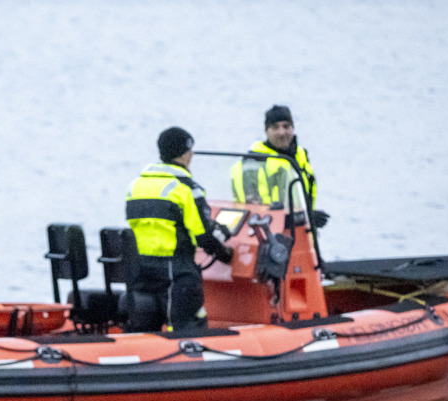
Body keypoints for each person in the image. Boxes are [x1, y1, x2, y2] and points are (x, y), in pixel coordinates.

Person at [125, 126, 234, 333]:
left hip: (142, 273)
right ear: (185, 154)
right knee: (193, 324)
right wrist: (224, 252)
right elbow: (203, 236)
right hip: (177, 274)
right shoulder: (186, 189)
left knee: (147, 331)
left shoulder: (136, 186)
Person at [230, 105, 326, 227]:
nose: (282, 132)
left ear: (293, 128)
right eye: (275, 127)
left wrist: (307, 218)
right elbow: (255, 216)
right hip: (268, 239)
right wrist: (305, 217)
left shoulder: (301, 155)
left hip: (301, 233)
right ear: (266, 131)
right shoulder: (253, 164)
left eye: (286, 126)